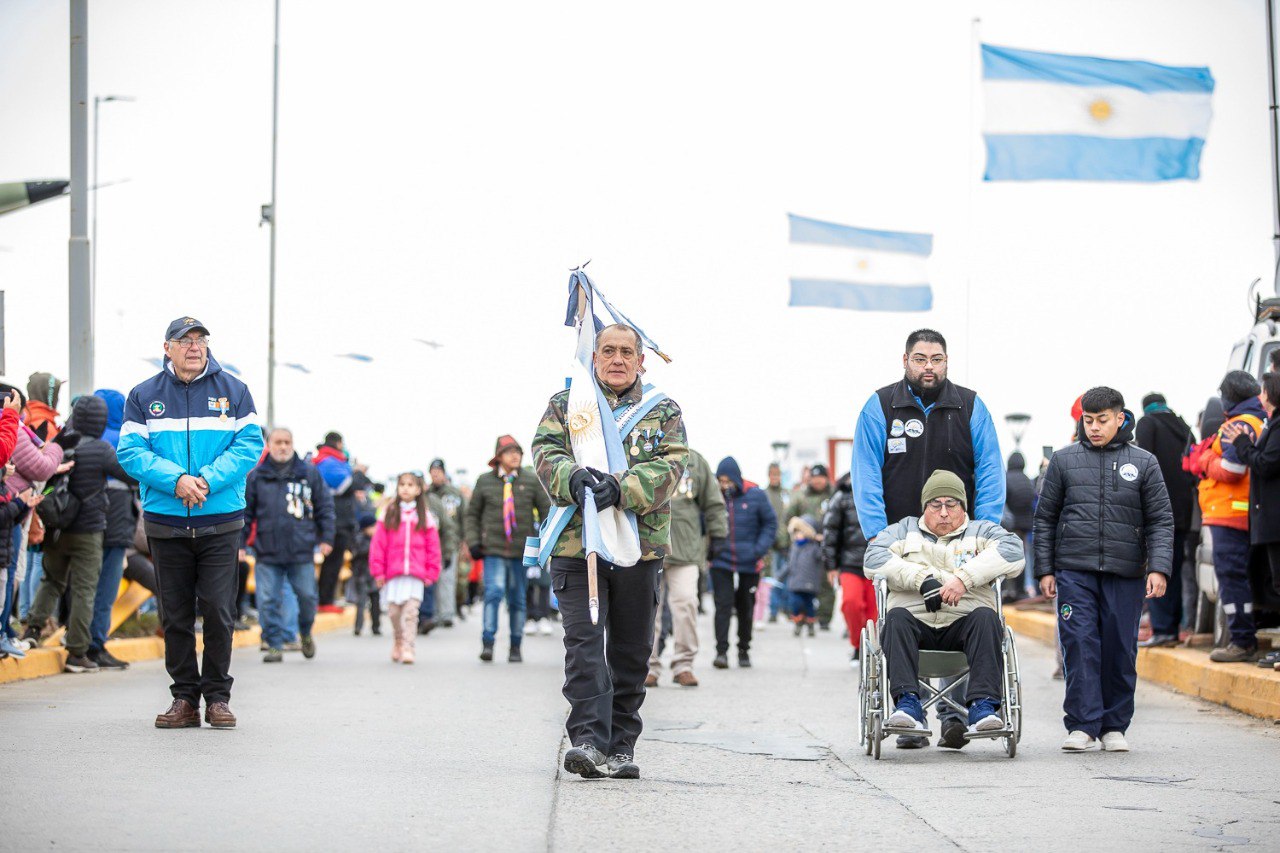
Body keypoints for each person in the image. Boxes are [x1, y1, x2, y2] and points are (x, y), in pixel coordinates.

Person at [532, 323, 688, 780]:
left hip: (638, 549)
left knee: (631, 651)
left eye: (626, 352)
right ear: (593, 357)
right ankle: (587, 741)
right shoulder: (567, 405)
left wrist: (620, 488)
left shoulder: (663, 412)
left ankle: (620, 745)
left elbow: (673, 465)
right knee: (584, 647)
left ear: (641, 361)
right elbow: (545, 451)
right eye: (608, 351)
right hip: (576, 546)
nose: (617, 360)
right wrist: (572, 478)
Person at [852, 328, 1005, 750]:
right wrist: (878, 538)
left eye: (936, 359)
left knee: (965, 612)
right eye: (920, 359)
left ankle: (955, 715)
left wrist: (983, 534)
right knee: (908, 613)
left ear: (946, 362)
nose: (928, 366)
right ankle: (910, 713)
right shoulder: (880, 406)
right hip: (905, 542)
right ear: (905, 361)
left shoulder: (970, 407)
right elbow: (866, 476)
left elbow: (990, 471)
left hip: (961, 536)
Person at [117, 317, 264, 729]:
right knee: (175, 615)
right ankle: (184, 697)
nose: (194, 346)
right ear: (168, 348)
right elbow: (130, 452)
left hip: (220, 522)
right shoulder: (143, 395)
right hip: (166, 523)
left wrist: (205, 480)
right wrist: (176, 480)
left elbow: (250, 446)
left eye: (200, 340)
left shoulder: (234, 391)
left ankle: (217, 697)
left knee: (219, 611)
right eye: (185, 341)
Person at [1035, 387, 1173, 752]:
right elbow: (1045, 518)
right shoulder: (1064, 461)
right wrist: (1045, 570)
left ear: (1120, 418)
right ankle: (1082, 724)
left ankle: (1114, 725)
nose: (1094, 427)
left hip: (1125, 572)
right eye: (1089, 420)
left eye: (1102, 420)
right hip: (1074, 571)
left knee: (1119, 647)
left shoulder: (1144, 462)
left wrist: (1158, 568)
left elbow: (1161, 520)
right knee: (1079, 643)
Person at [868, 470, 1024, 738]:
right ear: (924, 507)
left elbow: (1014, 552)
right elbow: (873, 558)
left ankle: (983, 707)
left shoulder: (982, 531)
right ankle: (907, 705)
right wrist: (921, 580)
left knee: (987, 617)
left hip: (963, 626)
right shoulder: (902, 531)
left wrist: (964, 579)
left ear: (963, 507)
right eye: (935, 505)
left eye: (951, 505)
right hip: (916, 626)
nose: (943, 513)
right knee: (895, 618)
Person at [24, 395, 137, 673]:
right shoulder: (101, 449)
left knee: (51, 580)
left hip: (57, 527)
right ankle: (76, 652)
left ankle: (32, 630)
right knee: (85, 590)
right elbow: (130, 476)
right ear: (100, 420)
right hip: (89, 531)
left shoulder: (60, 443)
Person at [1190, 371, 1265, 663]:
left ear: (1230, 396)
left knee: (1232, 579)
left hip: (1232, 514)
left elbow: (1233, 471)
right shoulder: (1250, 421)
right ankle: (1242, 638)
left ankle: (1242, 641)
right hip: (1233, 513)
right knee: (1237, 580)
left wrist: (1205, 459)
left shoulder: (1241, 424)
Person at [242, 427, 335, 663]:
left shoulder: (309, 474)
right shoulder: (257, 476)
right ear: (269, 445)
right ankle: (274, 644)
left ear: (292, 444)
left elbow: (325, 506)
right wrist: (240, 544)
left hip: (301, 549)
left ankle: (304, 632)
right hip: (267, 550)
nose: (283, 446)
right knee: (267, 600)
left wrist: (326, 538)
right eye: (278, 442)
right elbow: (246, 513)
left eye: (287, 442)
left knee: (307, 597)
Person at [646, 447, 726, 688]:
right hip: (648, 548)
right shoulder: (644, 454)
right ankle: (648, 666)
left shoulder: (695, 461)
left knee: (686, 603)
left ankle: (684, 665)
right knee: (648, 610)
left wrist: (718, 534)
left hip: (686, 549)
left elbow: (713, 501)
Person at [467, 435, 549, 663]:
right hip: (492, 549)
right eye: (510, 451)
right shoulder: (484, 481)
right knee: (493, 593)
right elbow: (472, 514)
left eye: (518, 451)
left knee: (517, 599)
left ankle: (515, 645)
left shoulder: (531, 480)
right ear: (498, 457)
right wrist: (473, 542)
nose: (516, 456)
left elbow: (546, 511)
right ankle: (488, 642)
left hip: (520, 551)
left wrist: (542, 541)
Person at [1222, 371, 1280, 668]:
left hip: (1268, 518)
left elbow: (1265, 464)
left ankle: (1251, 642)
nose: (1260, 396)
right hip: (1264, 518)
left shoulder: (1270, 425)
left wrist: (1243, 444)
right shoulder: (1269, 424)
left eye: (1264, 391)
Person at [1134, 392, 1196, 647]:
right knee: (1176, 568)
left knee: (1157, 566)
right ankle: (1173, 626)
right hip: (1184, 509)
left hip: (1157, 508)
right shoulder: (1184, 426)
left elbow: (1142, 463)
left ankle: (1161, 628)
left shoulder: (1147, 423)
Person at [86, 388, 139, 670]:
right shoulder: (121, 442)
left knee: (84, 585)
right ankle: (96, 643)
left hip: (86, 522)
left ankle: (81, 642)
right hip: (115, 523)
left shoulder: (83, 438)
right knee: (106, 585)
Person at [369, 471, 443, 665]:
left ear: (418, 490)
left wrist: (432, 570)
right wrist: (378, 570)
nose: (406, 489)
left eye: (410, 485)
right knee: (394, 612)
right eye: (402, 484)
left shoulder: (424, 516)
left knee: (411, 612)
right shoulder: (388, 513)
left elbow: (433, 546)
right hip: (393, 573)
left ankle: (409, 647)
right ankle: (398, 641)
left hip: (415, 574)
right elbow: (378, 544)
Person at [709, 457, 777, 669]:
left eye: (728, 480)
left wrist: (758, 550)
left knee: (746, 606)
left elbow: (770, 523)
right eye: (721, 480)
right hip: (721, 562)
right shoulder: (714, 497)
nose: (724, 485)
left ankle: (743, 649)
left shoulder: (755, 495)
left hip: (749, 562)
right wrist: (711, 551)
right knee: (723, 606)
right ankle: (721, 652)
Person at [822, 472, 873, 659]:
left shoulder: (883, 491)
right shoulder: (841, 497)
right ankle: (858, 645)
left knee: (873, 613)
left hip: (876, 565)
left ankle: (872, 650)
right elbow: (830, 533)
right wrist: (831, 566)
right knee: (851, 603)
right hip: (849, 563)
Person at [312, 432, 358, 613]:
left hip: (337, 520)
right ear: (338, 443)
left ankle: (326, 598)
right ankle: (325, 600)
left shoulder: (326, 460)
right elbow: (346, 485)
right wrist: (357, 474)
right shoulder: (329, 462)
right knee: (332, 561)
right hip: (336, 521)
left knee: (334, 562)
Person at [786, 464, 835, 628]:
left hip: (828, 544)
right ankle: (803, 614)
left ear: (826, 478)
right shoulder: (800, 496)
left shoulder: (834, 495)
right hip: (805, 547)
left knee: (826, 582)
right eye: (814, 478)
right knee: (804, 582)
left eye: (820, 477)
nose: (817, 481)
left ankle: (824, 618)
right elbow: (789, 518)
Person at [427, 458, 466, 628]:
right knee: (432, 578)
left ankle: (447, 614)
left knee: (448, 578)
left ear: (444, 473)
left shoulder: (454, 493)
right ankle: (433, 613)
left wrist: (464, 541)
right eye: (433, 473)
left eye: (438, 472)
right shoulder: (426, 494)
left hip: (451, 541)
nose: (435, 475)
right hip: (430, 542)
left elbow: (464, 517)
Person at [779, 515, 823, 636]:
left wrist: (820, 542)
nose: (798, 535)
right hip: (795, 582)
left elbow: (822, 556)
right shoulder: (794, 547)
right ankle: (798, 622)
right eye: (796, 532)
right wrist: (780, 575)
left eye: (800, 532)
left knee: (810, 605)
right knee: (795, 603)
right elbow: (790, 564)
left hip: (810, 582)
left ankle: (810, 624)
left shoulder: (814, 547)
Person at [1004, 452, 1036, 601]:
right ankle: (1021, 589)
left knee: (1006, 559)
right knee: (1022, 559)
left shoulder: (1006, 479)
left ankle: (1009, 591)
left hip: (1010, 526)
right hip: (1025, 527)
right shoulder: (1027, 480)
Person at [763, 462, 791, 622]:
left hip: (786, 543)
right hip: (771, 545)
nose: (775, 478)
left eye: (777, 475)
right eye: (773, 475)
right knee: (773, 578)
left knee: (786, 578)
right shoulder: (765, 494)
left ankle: (785, 608)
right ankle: (773, 610)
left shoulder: (786, 494)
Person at [351, 512, 380, 636]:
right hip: (362, 575)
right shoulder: (359, 539)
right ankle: (358, 626)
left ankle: (376, 626)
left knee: (375, 602)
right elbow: (356, 553)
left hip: (374, 575)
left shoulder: (378, 539)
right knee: (361, 602)